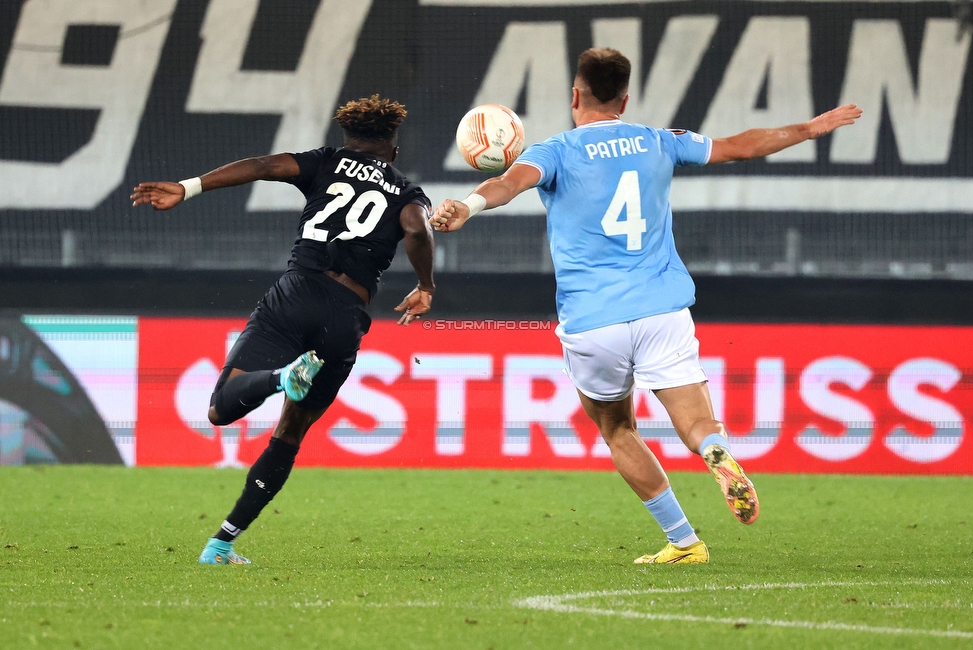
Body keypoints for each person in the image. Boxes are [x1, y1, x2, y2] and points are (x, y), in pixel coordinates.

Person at [431, 48, 862, 564]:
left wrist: (468, 206)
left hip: (593, 321)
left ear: (576, 95)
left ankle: (684, 541)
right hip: (662, 309)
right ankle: (713, 452)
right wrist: (808, 129)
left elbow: (506, 185)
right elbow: (739, 147)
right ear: (625, 98)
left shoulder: (555, 152)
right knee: (698, 422)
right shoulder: (660, 141)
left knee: (618, 429)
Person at [131, 95, 436, 565]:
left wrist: (187, 187)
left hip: (297, 293)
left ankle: (279, 377)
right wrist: (425, 285)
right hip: (346, 316)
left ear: (348, 140)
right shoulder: (407, 191)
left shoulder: (326, 162)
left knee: (219, 410)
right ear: (392, 150)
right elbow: (417, 229)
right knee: (291, 432)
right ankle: (221, 543)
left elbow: (261, 165)